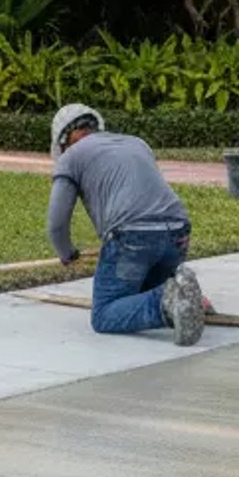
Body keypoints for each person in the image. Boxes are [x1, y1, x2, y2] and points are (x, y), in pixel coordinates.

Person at [47, 103, 204, 343]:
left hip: (132, 238)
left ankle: (167, 300)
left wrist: (66, 253)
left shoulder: (71, 157)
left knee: (104, 314)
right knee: (139, 293)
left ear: (64, 140)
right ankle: (184, 296)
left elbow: (56, 224)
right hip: (177, 233)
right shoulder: (136, 143)